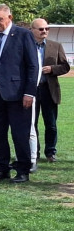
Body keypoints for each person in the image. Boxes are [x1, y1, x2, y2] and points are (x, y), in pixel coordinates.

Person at [0, 4, 39, 183]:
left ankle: (22, 170)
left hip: (18, 94)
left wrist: (29, 93)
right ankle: (2, 168)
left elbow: (33, 66)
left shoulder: (23, 34)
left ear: (9, 18)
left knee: (20, 133)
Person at [30, 18, 69, 163]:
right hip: (31, 90)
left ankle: (50, 152)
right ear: (32, 30)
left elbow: (65, 67)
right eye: (41, 29)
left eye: (47, 29)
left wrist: (52, 69)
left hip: (49, 89)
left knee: (51, 124)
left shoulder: (56, 46)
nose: (44, 31)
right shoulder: (26, 46)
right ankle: (35, 152)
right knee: (31, 124)